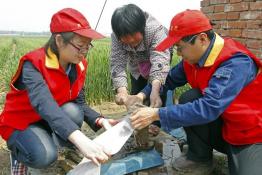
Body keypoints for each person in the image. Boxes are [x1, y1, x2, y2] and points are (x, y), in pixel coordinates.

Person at [129, 9, 262, 175]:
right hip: (224, 124)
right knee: (190, 98)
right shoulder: (194, 59)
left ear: (202, 39)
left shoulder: (235, 63)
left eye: (180, 48)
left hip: (251, 133)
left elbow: (208, 108)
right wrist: (145, 93)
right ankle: (199, 157)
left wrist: (156, 114)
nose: (178, 54)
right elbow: (168, 79)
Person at [0, 8, 117, 174]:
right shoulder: (34, 64)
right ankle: (20, 152)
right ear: (60, 40)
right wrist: (81, 140)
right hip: (21, 122)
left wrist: (101, 121)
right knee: (45, 155)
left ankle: (53, 141)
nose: (84, 53)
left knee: (74, 111)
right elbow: (44, 104)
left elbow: (79, 101)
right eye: (79, 46)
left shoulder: (78, 65)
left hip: (49, 119)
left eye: (87, 46)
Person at [110, 4, 172, 109]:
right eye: (125, 38)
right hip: (136, 63)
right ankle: (138, 119)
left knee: (158, 91)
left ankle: (157, 122)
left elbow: (160, 61)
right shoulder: (116, 36)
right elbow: (117, 63)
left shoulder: (155, 29)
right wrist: (122, 92)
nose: (130, 41)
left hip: (159, 59)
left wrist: (155, 91)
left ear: (142, 28)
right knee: (137, 92)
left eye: (134, 36)